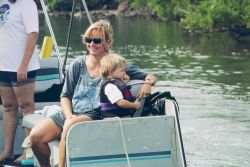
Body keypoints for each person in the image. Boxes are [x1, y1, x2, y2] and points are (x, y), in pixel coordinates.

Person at [29, 19, 157, 167]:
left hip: (94, 113)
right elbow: (65, 96)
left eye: (96, 40)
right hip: (72, 112)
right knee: (35, 138)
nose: (91, 44)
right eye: (88, 40)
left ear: (108, 43)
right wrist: (69, 114)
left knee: (69, 125)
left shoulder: (115, 64)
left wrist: (147, 84)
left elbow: (150, 75)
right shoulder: (77, 64)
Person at [0, 0, 39, 164]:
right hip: (3, 66)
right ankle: (8, 151)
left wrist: (23, 65)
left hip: (23, 67)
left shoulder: (27, 3)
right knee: (8, 107)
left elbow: (33, 34)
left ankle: (30, 152)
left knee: (26, 106)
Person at [99, 53, 141, 118]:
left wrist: (125, 77)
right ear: (112, 72)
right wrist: (134, 105)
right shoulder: (110, 86)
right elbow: (121, 103)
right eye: (122, 70)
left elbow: (122, 83)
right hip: (114, 119)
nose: (124, 73)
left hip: (121, 117)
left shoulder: (115, 81)